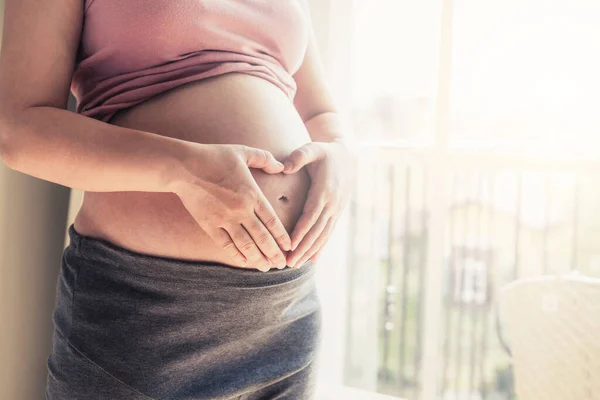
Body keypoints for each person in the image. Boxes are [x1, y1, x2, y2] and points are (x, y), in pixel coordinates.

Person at [0, 0, 353, 399]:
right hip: (148, 314)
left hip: (285, 314)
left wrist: (340, 154)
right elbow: (20, 131)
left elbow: (321, 111)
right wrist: (185, 169)